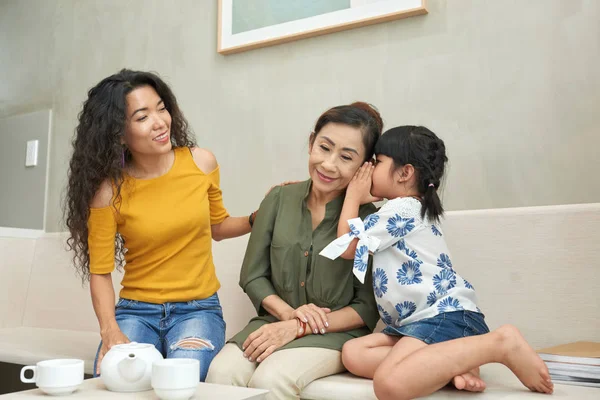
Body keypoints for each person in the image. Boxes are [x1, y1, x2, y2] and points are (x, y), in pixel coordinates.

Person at [320, 125, 554, 399]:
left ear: (405, 173)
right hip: (417, 323)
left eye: (378, 162)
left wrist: (353, 196)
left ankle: (499, 344)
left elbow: (348, 247)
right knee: (355, 353)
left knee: (389, 385)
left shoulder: (402, 209)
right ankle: (452, 364)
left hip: (441, 316)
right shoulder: (409, 208)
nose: (369, 169)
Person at [65, 69, 261, 381]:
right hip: (135, 312)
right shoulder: (107, 193)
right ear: (118, 132)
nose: (160, 122)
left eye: (161, 108)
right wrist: (110, 331)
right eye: (142, 117)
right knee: (118, 379)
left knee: (179, 380)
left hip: (197, 310)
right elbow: (100, 272)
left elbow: (218, 226)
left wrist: (255, 219)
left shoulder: (201, 162)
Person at [206, 102, 384, 399]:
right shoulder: (278, 199)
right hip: (275, 319)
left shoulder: (367, 220)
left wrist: (300, 327)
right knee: (221, 373)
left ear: (364, 166)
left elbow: (366, 307)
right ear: (312, 142)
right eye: (324, 148)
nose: (328, 164)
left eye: (346, 157)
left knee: (272, 378)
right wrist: (289, 316)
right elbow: (253, 276)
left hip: (334, 334)